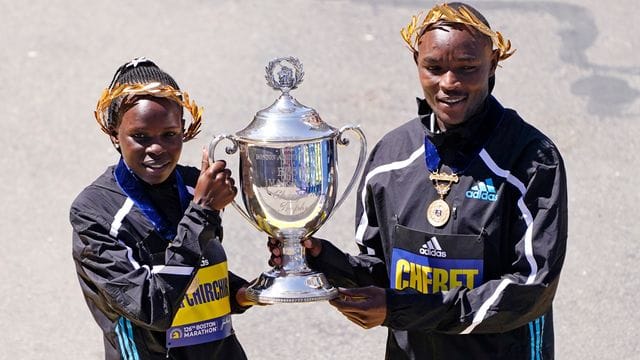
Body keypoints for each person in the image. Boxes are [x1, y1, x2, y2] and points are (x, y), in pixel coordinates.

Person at [270, 2, 567, 359]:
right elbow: (382, 271)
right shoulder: (391, 157)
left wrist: (405, 309)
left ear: (493, 64)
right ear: (417, 64)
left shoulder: (531, 159)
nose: (449, 83)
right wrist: (322, 259)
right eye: (434, 67)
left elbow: (531, 288)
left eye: (467, 68)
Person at [71, 57, 255, 360]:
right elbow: (152, 307)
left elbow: (194, 268)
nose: (156, 148)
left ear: (184, 130)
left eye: (169, 135)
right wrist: (203, 212)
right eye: (140, 137)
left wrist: (241, 293)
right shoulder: (94, 211)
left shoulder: (193, 186)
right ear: (115, 134)